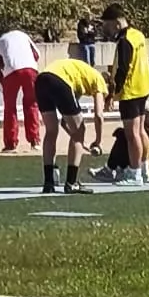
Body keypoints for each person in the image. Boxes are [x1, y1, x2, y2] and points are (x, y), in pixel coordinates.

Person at [33, 55, 101, 194]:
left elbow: (65, 121)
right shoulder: (99, 81)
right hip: (59, 81)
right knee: (80, 130)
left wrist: (79, 140)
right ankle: (71, 182)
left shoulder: (80, 78)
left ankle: (49, 183)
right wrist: (97, 141)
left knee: (51, 131)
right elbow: (99, 115)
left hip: (41, 80)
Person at [103, 1, 149, 184]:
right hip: (143, 87)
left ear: (117, 23)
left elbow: (123, 69)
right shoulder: (137, 34)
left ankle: (134, 173)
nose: (107, 30)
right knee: (140, 131)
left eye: (108, 26)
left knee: (132, 134)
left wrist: (113, 92)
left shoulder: (124, 41)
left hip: (130, 91)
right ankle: (144, 170)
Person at [0, 25, 41, 153]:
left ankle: (11, 143)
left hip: (11, 72)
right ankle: (34, 140)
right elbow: (37, 54)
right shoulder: (21, 34)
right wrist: (31, 64)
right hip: (30, 69)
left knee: (10, 108)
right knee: (32, 104)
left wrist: (2, 87)